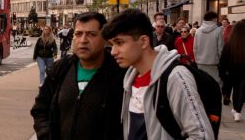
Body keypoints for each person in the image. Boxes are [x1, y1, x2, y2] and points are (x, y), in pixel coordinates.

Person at [104, 9, 214, 139]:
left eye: (119, 43)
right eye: (112, 45)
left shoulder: (175, 77)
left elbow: (202, 135)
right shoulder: (128, 78)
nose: (113, 52)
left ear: (144, 41)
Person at [31, 12, 124, 140]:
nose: (83, 40)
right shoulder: (61, 69)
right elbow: (40, 108)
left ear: (105, 39)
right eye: (78, 34)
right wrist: (46, 135)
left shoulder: (120, 74)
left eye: (91, 34)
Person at [220, 20, 245, 121]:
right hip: (243, 71)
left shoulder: (229, 44)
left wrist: (223, 74)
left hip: (232, 72)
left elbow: (223, 60)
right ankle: (237, 110)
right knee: (242, 91)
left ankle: (236, 110)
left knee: (236, 90)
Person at [193, 11, 224, 86]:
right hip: (213, 63)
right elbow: (220, 48)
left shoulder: (198, 31)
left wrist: (197, 59)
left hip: (200, 62)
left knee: (203, 84)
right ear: (214, 19)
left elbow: (195, 48)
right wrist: (220, 60)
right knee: (215, 84)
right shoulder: (218, 30)